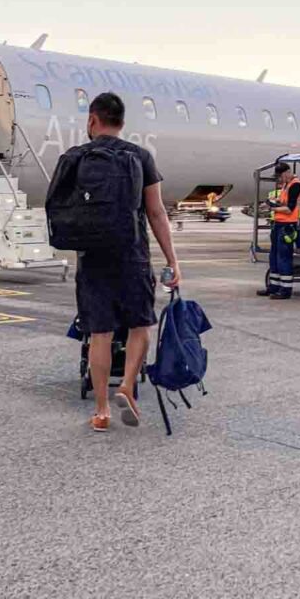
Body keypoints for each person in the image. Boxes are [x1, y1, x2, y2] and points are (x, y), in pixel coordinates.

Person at [75, 92, 181, 433]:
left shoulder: (76, 158)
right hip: (132, 255)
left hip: (93, 258)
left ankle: (102, 410)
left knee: (100, 334)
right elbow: (156, 212)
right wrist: (172, 260)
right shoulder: (141, 157)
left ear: (93, 120)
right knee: (139, 326)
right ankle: (128, 386)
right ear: (122, 122)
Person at [257, 162, 300, 300]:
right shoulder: (286, 184)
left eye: (280, 176)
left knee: (283, 258)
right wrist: (270, 202)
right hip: (278, 225)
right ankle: (273, 287)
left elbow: (289, 209)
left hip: (287, 226)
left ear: (287, 172)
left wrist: (272, 208)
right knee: (274, 257)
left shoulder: (295, 184)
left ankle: (285, 290)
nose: (279, 179)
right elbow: (283, 202)